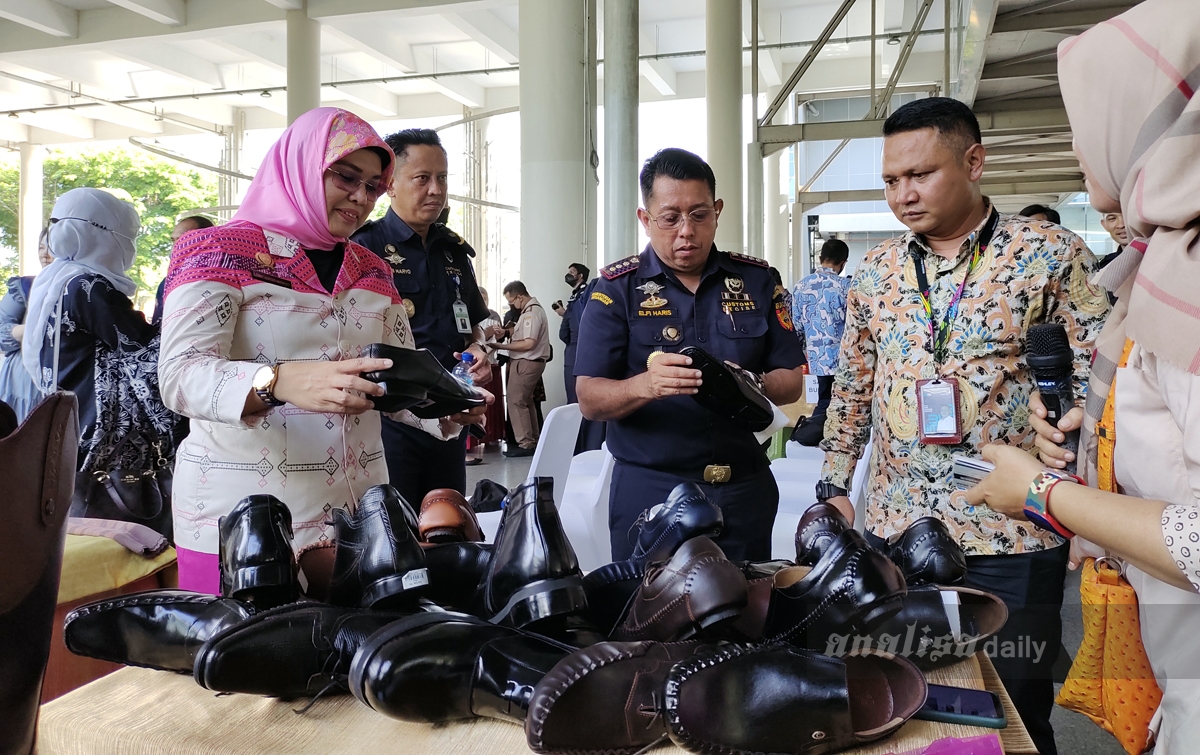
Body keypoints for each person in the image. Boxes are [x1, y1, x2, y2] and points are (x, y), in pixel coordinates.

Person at [815, 97, 1110, 755]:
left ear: (974, 161)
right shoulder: (877, 271)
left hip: (1012, 530)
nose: (903, 193)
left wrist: (1078, 440)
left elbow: (1107, 376)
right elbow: (853, 390)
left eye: (920, 174)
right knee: (907, 705)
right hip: (897, 527)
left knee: (1013, 707)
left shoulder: (1050, 254)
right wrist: (833, 485)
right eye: (891, 180)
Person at [966, 2, 1200, 750]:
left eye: (1084, 118)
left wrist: (1044, 493)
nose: (1075, 143)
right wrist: (1100, 441)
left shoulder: (1191, 278)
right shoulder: (1158, 267)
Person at [157, 108, 485, 593]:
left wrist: (443, 409)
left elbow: (391, 378)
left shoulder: (372, 268)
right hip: (244, 520)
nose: (361, 197)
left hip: (356, 514)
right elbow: (180, 376)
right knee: (248, 657)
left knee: (350, 659)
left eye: (374, 186)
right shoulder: (219, 251)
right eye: (347, 178)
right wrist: (277, 381)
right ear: (302, 168)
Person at [575, 148, 805, 562]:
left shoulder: (756, 281)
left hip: (744, 489)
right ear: (646, 220)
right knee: (649, 619)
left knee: (746, 617)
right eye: (670, 218)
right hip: (652, 492)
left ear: (717, 212)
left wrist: (753, 384)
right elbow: (590, 398)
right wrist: (647, 385)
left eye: (699, 215)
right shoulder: (615, 290)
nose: (686, 231)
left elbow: (791, 380)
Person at [351, 128, 491, 506]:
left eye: (442, 178)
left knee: (446, 523)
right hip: (390, 423)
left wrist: (479, 351)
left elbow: (472, 328)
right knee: (398, 530)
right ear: (390, 185)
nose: (436, 189)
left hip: (450, 415)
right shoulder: (365, 248)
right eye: (422, 178)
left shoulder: (453, 252)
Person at [23, 188, 176, 486]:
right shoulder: (88, 288)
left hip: (64, 420)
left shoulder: (55, 279)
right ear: (100, 234)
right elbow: (144, 348)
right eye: (124, 236)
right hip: (98, 435)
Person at [790, 237, 851, 446]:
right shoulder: (846, 287)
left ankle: (815, 437)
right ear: (844, 262)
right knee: (841, 403)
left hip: (815, 360)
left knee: (822, 401)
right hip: (843, 360)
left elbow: (796, 326)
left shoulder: (801, 286)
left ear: (820, 257)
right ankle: (827, 439)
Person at [486, 280, 550, 457]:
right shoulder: (528, 311)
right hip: (529, 361)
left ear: (520, 297)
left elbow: (529, 343)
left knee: (515, 400)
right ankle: (532, 440)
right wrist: (506, 333)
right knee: (526, 401)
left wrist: (500, 347)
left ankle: (525, 443)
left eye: (511, 301)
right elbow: (520, 332)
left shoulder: (532, 313)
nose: (511, 305)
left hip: (526, 361)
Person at [0, 232, 53, 421]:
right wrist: (37, 328)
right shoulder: (25, 287)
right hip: (21, 381)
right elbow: (1, 332)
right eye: (41, 247)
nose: (44, 254)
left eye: (52, 246)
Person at [152, 216, 215, 327]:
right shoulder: (166, 283)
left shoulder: (221, 279)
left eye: (182, 239)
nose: (175, 246)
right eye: (173, 240)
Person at [553, 262, 590, 402]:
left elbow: (580, 320)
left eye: (572, 272)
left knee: (576, 395)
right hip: (571, 347)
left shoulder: (585, 294)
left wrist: (566, 313)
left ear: (580, 276)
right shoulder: (575, 295)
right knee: (570, 392)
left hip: (578, 346)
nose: (568, 275)